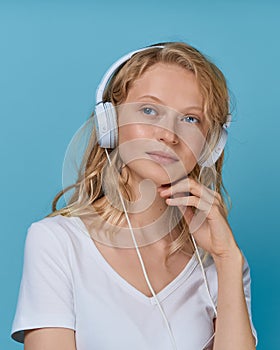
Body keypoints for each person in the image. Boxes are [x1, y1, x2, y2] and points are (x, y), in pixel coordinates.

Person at [11, 42, 258, 350]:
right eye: (149, 110)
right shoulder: (56, 242)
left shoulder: (222, 261)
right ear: (110, 123)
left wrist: (227, 259)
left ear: (211, 145)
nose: (168, 134)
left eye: (191, 119)